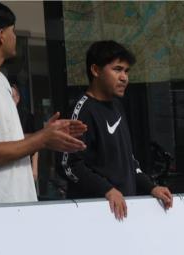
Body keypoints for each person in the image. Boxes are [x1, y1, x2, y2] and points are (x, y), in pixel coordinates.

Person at [0, 1, 85, 208]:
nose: (15, 37)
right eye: (13, 31)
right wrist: (42, 138)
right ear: (1, 35)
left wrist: (47, 135)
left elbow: (7, 141)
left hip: (15, 206)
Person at [62, 41, 173, 220]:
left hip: (124, 213)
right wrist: (107, 190)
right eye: (117, 69)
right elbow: (69, 166)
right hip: (94, 216)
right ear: (95, 70)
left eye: (126, 71)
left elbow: (129, 161)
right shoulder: (82, 110)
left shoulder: (117, 107)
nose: (124, 78)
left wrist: (151, 187)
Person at [9, 79, 38, 186]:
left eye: (13, 96)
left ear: (18, 97)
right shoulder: (0, 118)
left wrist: (34, 168)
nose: (11, 100)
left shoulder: (27, 117)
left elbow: (35, 142)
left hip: (24, 164)